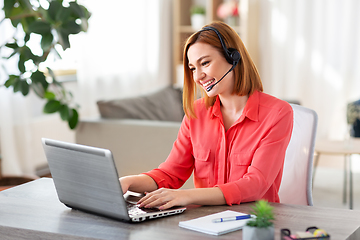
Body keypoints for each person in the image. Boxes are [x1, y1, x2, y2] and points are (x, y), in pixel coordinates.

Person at [120, 21, 293, 210]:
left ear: (233, 58)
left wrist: (185, 196)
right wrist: (127, 181)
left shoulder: (277, 113)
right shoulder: (196, 113)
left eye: (205, 63)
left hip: (254, 222)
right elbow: (171, 173)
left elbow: (256, 184)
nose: (197, 77)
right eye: (193, 68)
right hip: (204, 222)